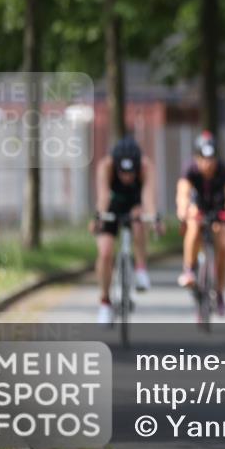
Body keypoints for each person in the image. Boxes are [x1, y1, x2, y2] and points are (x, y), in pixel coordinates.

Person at [90, 135, 163, 325]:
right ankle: (105, 301)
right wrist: (98, 217)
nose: (127, 177)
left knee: (139, 219)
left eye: (131, 173)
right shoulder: (105, 166)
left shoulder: (146, 167)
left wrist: (154, 218)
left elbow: (148, 197)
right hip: (112, 205)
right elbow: (104, 195)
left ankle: (140, 269)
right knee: (105, 253)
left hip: (134, 205)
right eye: (123, 172)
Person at [175, 131, 225, 318]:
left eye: (211, 159)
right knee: (194, 225)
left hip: (218, 211)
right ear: (196, 157)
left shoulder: (224, 170)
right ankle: (189, 270)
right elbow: (183, 192)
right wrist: (183, 209)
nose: (207, 164)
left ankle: (220, 292)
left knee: (224, 244)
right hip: (198, 209)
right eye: (203, 159)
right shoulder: (190, 169)